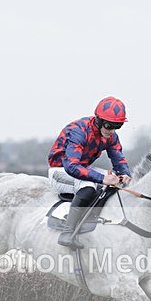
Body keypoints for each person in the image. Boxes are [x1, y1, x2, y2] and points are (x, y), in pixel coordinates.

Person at [47, 96, 132, 248]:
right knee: (88, 187)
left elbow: (118, 159)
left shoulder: (111, 136)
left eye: (117, 126)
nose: (111, 130)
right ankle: (67, 232)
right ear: (98, 120)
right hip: (61, 170)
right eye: (108, 125)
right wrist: (102, 178)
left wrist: (124, 174)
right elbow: (72, 166)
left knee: (113, 183)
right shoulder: (79, 131)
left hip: (82, 169)